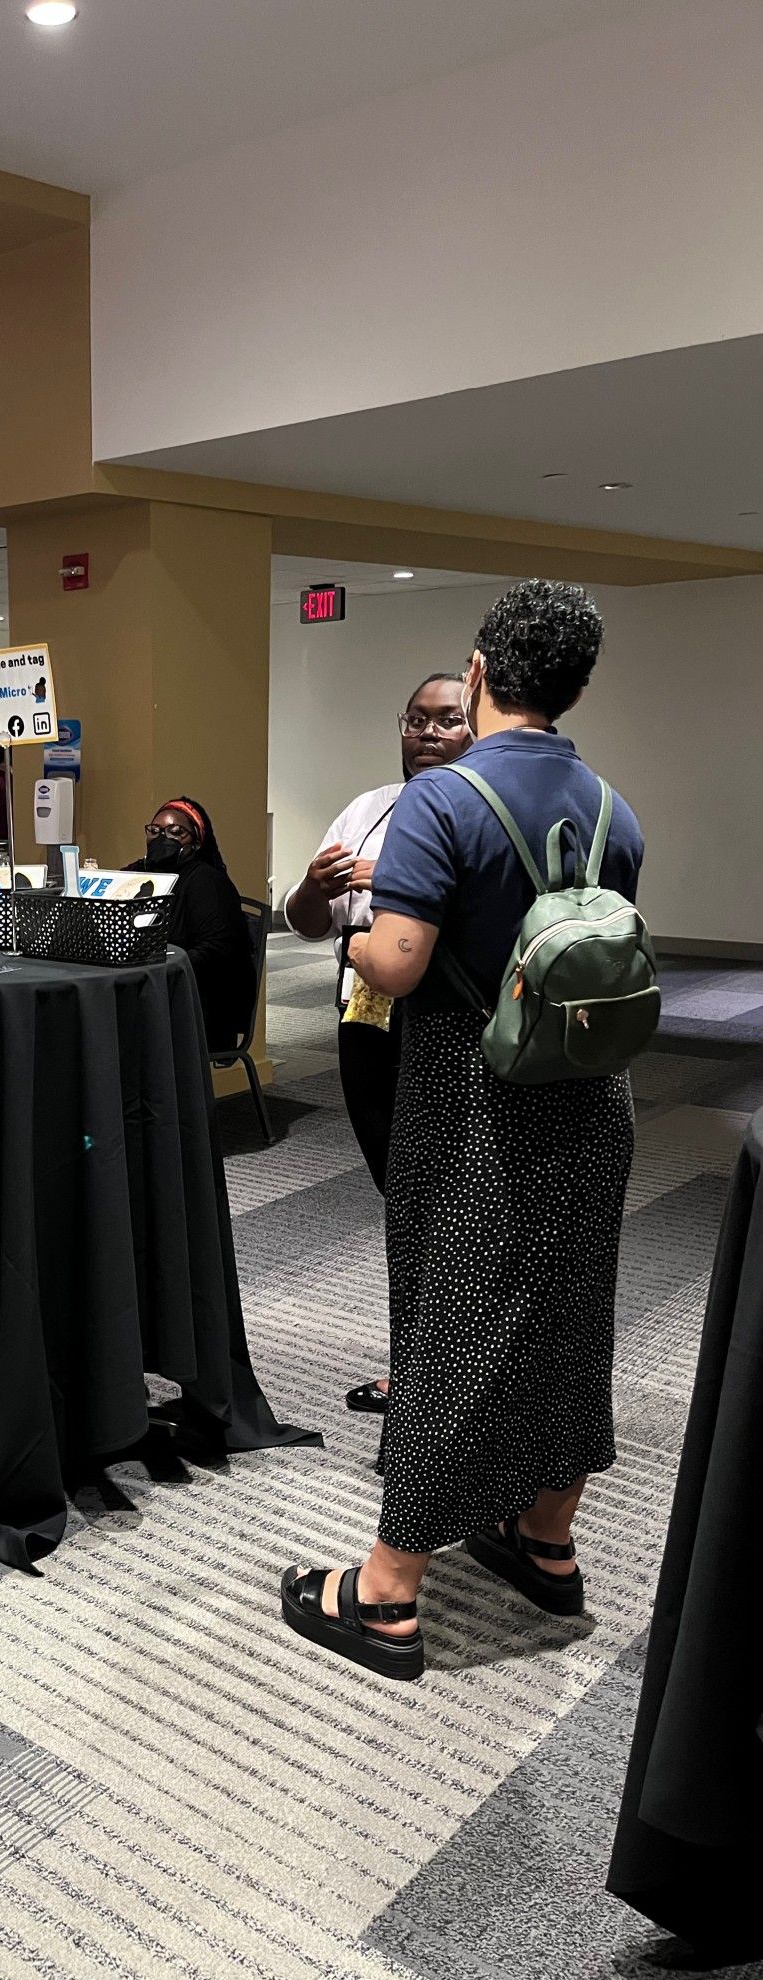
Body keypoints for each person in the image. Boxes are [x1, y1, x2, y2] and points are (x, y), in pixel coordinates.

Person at [280, 581, 644, 1680]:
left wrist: (351, 942)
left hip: (472, 1090)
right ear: (576, 684)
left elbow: (395, 962)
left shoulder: (445, 801)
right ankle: (545, 1540)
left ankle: (386, 1594)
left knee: (450, 1324)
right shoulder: (613, 805)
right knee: (567, 1315)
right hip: (591, 1089)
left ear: (481, 671)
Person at [284, 675, 470, 1415]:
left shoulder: (475, 815)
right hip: (364, 1013)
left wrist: (396, 881)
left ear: (476, 728)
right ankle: (423, 1358)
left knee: (441, 1200)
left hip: (442, 1017)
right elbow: (307, 921)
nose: (426, 734)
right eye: (415, 720)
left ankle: (434, 1371)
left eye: (447, 721)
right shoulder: (368, 809)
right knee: (400, 1191)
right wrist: (310, 883)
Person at [130, 798, 253, 1050]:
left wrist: (161, 969)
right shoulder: (137, 873)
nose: (162, 838)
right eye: (154, 831)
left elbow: (217, 951)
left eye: (176, 832)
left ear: (196, 842)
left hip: (199, 1000)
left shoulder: (208, 882)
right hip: (149, 987)